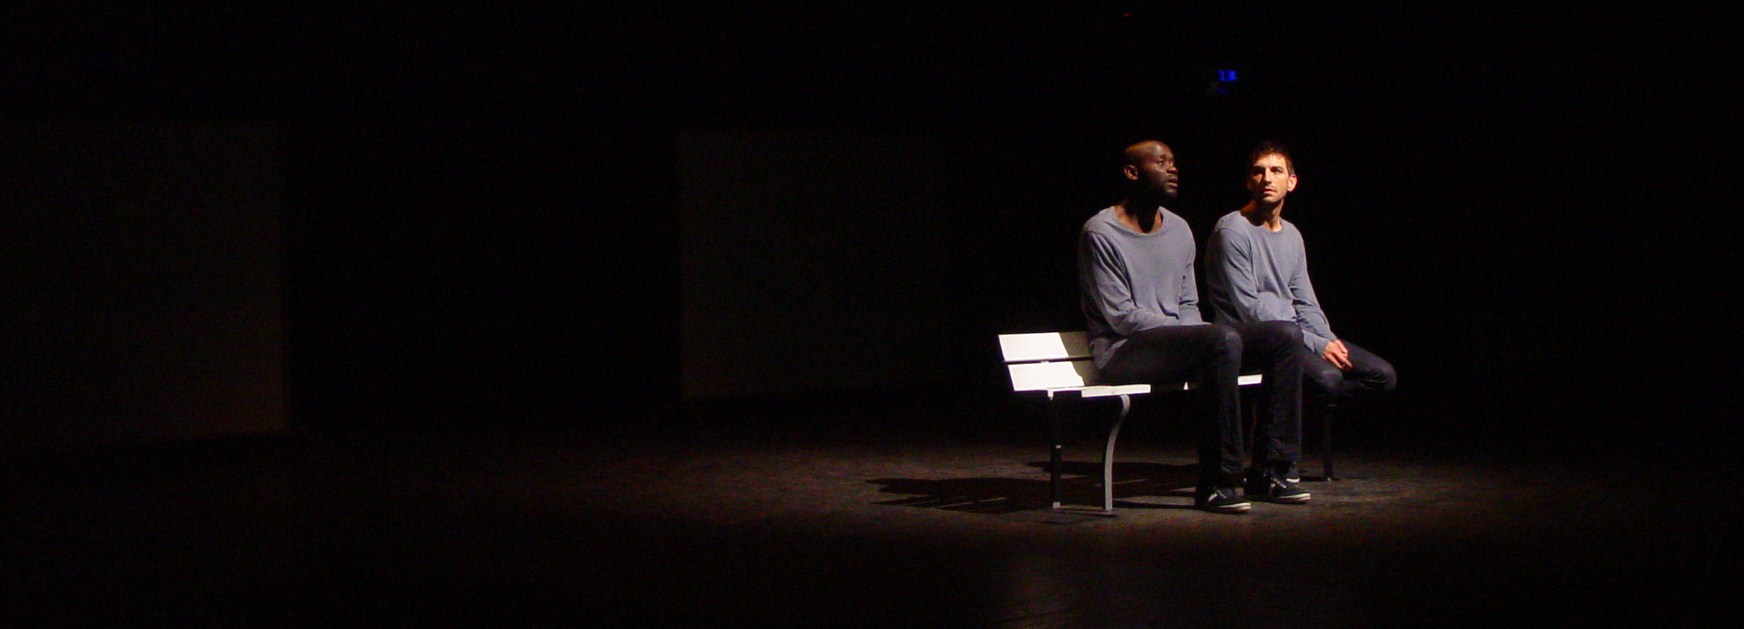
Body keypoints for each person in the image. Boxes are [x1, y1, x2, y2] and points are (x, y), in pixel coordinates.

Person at [1078, 140, 1309, 514]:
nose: (1173, 169)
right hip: (1124, 350)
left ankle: (1273, 471)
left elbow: (1189, 304)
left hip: (1175, 343)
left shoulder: (1180, 230)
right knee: (1219, 338)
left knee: (1285, 336)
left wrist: (1190, 333)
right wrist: (1187, 333)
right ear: (1132, 172)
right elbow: (1120, 316)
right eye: (1161, 162)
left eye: (1173, 162)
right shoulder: (1100, 232)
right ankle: (1220, 482)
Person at [1205, 141, 1397, 475]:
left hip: (1298, 335)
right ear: (1249, 181)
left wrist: (1328, 339)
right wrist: (1316, 345)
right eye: (1258, 172)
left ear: (1291, 182)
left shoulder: (1292, 235)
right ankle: (1274, 454)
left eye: (1276, 171)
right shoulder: (1232, 230)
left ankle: (1281, 414)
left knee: (1382, 376)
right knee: (1326, 379)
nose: (1267, 178)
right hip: (1253, 337)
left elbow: (1305, 299)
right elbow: (1249, 310)